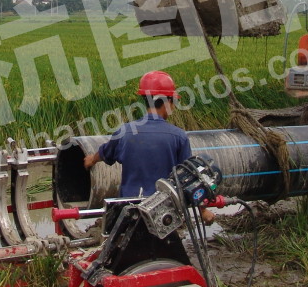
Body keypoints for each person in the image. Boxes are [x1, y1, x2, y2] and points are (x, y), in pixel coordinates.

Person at [83, 70, 214, 222]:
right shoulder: (179, 137)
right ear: (168, 102)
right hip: (164, 214)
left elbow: (105, 153)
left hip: (128, 210)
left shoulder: (124, 132)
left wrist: (91, 160)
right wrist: (203, 211)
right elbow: (189, 178)